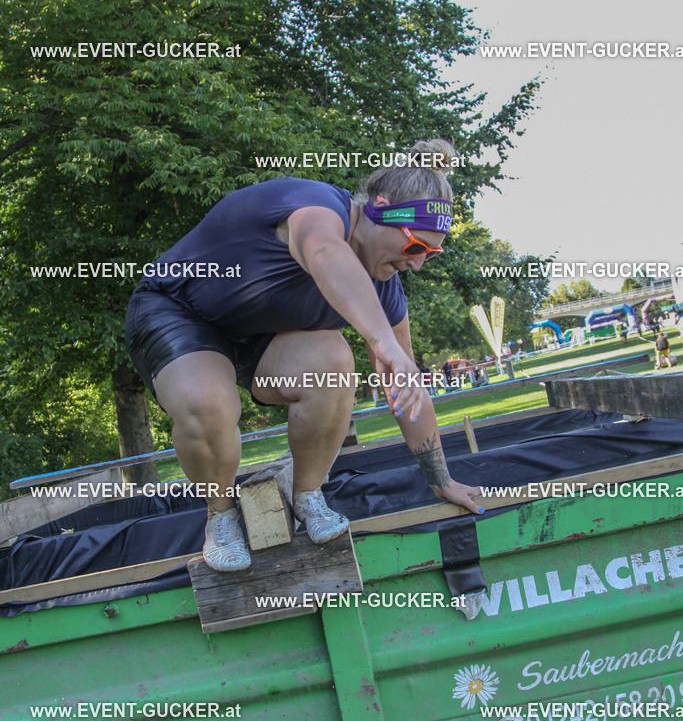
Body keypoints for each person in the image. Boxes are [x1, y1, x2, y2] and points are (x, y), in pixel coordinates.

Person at [126, 139, 483, 572]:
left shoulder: (384, 289)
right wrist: (382, 342)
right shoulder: (315, 206)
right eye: (414, 246)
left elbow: (406, 391)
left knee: (334, 362)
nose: (418, 264)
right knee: (210, 404)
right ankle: (219, 517)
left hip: (258, 338)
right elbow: (324, 253)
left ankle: (308, 496)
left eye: (431, 252)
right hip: (177, 310)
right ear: (380, 209)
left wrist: (441, 480)